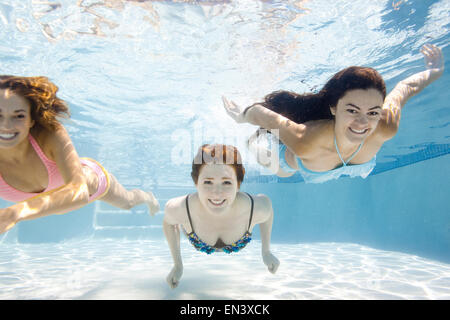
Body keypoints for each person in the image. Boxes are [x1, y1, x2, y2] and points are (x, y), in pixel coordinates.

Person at [222, 44, 444, 183]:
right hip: (292, 161)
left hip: (348, 164)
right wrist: (241, 117)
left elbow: (405, 88)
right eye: (352, 110)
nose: (363, 122)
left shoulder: (385, 126)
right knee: (281, 171)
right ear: (333, 108)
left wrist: (433, 71)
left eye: (373, 112)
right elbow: (261, 113)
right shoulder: (306, 140)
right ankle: (253, 143)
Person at [0, 75, 160, 234]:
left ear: (31, 120)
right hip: (58, 198)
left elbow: (79, 192)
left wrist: (15, 213)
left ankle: (147, 197)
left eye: (19, 116)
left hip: (89, 182)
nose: (6, 125)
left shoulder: (49, 134)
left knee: (128, 202)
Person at [163, 144, 279, 289]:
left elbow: (268, 213)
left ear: (238, 184)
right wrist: (177, 265)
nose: (217, 193)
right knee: (180, 221)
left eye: (226, 182)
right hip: (190, 222)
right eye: (208, 182)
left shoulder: (255, 208)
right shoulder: (179, 209)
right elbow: (169, 223)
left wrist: (266, 251)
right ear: (196, 182)